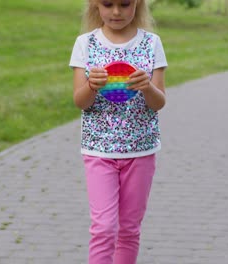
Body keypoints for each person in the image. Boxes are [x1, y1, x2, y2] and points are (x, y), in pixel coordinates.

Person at [69, 0, 168, 263]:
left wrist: (147, 87)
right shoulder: (85, 44)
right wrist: (91, 85)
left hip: (141, 150)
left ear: (138, 4)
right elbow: (80, 102)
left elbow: (159, 103)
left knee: (128, 230)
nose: (116, 11)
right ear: (94, 4)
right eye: (108, 4)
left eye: (125, 4)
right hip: (99, 151)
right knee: (103, 228)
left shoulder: (151, 43)